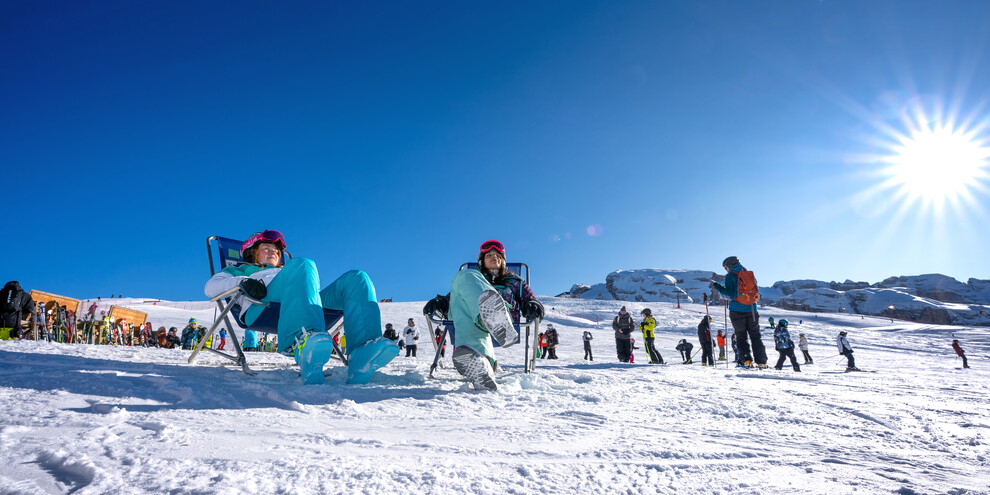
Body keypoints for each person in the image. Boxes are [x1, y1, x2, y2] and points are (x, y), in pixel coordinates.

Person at [204, 229, 397, 384]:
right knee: (303, 263)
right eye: (266, 248)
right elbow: (210, 287)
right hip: (263, 306)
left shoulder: (288, 270)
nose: (273, 252)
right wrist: (243, 282)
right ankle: (303, 343)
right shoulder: (240, 269)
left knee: (357, 278)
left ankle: (362, 352)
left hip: (307, 305)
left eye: (277, 251)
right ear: (252, 251)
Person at [422, 240, 543, 391]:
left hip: (505, 325)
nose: (494, 257)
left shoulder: (515, 282)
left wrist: (533, 305)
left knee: (465, 279)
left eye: (498, 256)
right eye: (489, 255)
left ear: (504, 262)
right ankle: (485, 364)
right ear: (481, 261)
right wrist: (439, 302)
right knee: (463, 277)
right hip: (470, 321)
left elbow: (530, 299)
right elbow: (452, 301)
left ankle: (496, 320)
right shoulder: (471, 278)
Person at [712, 256, 768, 369]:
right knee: (755, 336)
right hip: (752, 310)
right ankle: (762, 361)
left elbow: (730, 295)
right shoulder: (748, 273)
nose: (726, 270)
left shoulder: (730, 275)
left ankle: (747, 360)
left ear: (729, 265)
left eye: (725, 267)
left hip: (737, 310)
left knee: (741, 336)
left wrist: (718, 287)